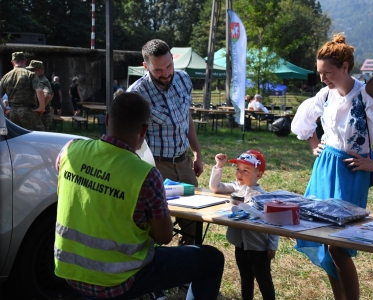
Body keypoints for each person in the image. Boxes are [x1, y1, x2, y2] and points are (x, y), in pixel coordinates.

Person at [54, 92, 224, 300]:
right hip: (117, 280)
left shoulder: (69, 150)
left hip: (68, 270)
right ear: (144, 130)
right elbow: (164, 236)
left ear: (107, 120)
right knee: (211, 259)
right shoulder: (146, 176)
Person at [291, 33, 373, 300]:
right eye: (319, 73)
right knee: (323, 235)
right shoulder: (325, 95)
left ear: (345, 67)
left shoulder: (366, 96)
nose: (323, 78)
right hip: (325, 167)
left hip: (351, 172)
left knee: (339, 243)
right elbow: (304, 118)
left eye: (328, 72)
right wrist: (314, 142)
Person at [127, 39, 203, 245]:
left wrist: (197, 153)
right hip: (154, 167)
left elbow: (186, 119)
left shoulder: (184, 80)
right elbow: (129, 138)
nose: (166, 73)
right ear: (146, 67)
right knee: (155, 228)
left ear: (173, 59)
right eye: (158, 70)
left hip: (183, 163)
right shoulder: (136, 94)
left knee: (193, 226)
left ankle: (187, 271)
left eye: (169, 66)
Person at [209, 150, 278, 300]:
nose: (240, 174)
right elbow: (215, 187)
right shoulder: (236, 188)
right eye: (238, 169)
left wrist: (272, 245)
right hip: (240, 245)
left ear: (258, 175)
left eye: (246, 170)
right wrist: (219, 166)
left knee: (264, 279)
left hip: (259, 247)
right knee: (245, 278)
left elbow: (273, 222)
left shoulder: (262, 197)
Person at [0, 52, 45, 131]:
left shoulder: (5, 76)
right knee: (37, 136)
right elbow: (40, 90)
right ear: (25, 61)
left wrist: (4, 109)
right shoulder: (31, 74)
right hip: (28, 111)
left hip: (12, 112)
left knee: (17, 137)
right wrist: (41, 107)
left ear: (12, 62)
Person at [26, 60, 53, 131]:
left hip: (42, 116)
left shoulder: (41, 81)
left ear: (40, 71)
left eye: (32, 70)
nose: (30, 72)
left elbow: (47, 95)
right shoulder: (38, 79)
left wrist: (40, 109)